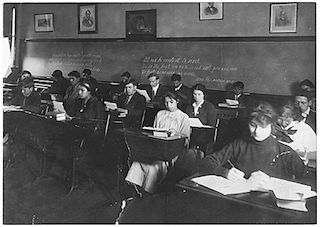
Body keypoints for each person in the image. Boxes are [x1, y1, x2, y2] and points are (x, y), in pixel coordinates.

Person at [197, 101, 307, 186]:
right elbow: (206, 162)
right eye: (253, 125)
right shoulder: (238, 145)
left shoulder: (285, 152)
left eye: (262, 126)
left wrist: (272, 182)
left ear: (272, 126)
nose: (256, 131)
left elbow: (309, 179)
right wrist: (224, 172)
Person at [125, 91, 190, 194]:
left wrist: (175, 134)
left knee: (153, 167)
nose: (168, 105)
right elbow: (154, 132)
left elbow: (186, 140)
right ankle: (136, 189)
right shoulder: (160, 114)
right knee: (138, 162)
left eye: (171, 102)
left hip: (171, 151)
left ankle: (149, 191)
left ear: (177, 101)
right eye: (166, 102)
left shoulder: (183, 117)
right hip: (156, 148)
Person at [277, 101, 316, 166]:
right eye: (280, 119)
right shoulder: (273, 129)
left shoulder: (303, 128)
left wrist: (300, 154)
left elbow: (316, 154)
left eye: (288, 118)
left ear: (294, 116)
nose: (284, 122)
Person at [186, 83, 217, 152]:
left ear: (204, 95)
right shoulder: (189, 107)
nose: (196, 97)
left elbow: (211, 125)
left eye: (199, 94)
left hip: (204, 134)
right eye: (194, 94)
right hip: (190, 133)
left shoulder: (209, 107)